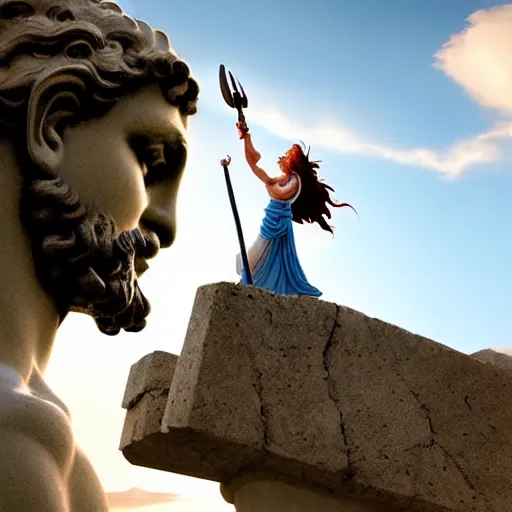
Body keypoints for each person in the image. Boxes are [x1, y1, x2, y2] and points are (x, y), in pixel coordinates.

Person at [0, 1, 198, 510]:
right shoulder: (14, 434)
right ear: (53, 122)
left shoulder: (36, 425)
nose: (166, 226)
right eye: (152, 161)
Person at [236, 121, 356, 297]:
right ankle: (247, 282)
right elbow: (259, 170)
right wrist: (246, 138)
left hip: (278, 223)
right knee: (253, 257)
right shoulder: (285, 177)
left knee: (255, 256)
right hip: (271, 219)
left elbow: (278, 192)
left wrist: (269, 184)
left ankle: (253, 283)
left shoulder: (295, 181)